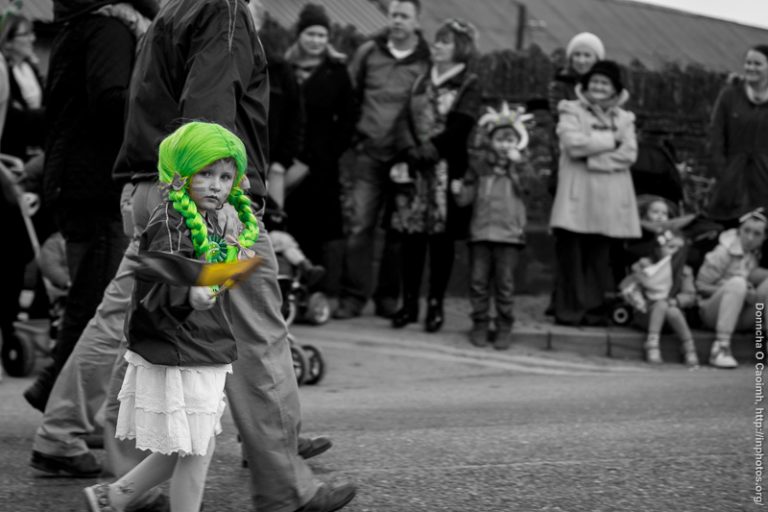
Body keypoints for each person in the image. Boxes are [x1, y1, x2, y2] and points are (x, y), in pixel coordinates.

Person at [32, 1, 355, 511]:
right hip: (199, 194)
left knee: (137, 328)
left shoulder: (171, 11)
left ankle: (126, 481)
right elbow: (209, 112)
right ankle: (283, 491)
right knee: (259, 336)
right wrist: (217, 203)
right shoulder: (222, 9)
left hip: (150, 188)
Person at [83, 121, 254, 512]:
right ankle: (118, 497)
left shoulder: (205, 219)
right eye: (206, 173)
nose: (216, 185)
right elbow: (157, 278)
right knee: (196, 448)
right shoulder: (169, 222)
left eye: (226, 176)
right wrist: (188, 292)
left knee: (195, 444)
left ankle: (115, 496)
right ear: (178, 175)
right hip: (183, 348)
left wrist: (226, 263)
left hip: (200, 344)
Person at [22, 0, 152, 412]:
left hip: (80, 180)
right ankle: (66, 413)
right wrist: (159, 106)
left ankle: (55, 394)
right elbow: (110, 100)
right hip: (94, 184)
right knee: (95, 305)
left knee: (89, 301)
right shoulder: (108, 29)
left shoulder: (86, 25)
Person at [334, 0, 431, 319]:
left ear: (417, 22)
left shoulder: (426, 60)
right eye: (394, 15)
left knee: (397, 230)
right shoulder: (368, 52)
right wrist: (353, 140)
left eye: (405, 16)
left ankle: (388, 297)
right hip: (368, 151)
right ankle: (352, 297)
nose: (398, 21)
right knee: (360, 225)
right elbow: (349, 93)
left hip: (405, 157)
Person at [388, 18, 479, 333]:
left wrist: (428, 150)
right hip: (415, 171)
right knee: (411, 238)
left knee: (442, 242)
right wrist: (410, 149)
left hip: (446, 169)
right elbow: (403, 120)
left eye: (444, 41)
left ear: (460, 48)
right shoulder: (421, 80)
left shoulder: (468, 83)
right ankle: (409, 303)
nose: (437, 46)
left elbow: (461, 126)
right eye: (437, 41)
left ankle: (436, 304)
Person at [549, 60, 641, 326]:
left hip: (608, 200)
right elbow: (573, 144)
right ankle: (569, 312)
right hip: (576, 196)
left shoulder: (625, 118)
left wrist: (594, 160)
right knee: (572, 258)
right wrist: (610, 141)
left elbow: (629, 154)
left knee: (598, 259)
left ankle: (593, 310)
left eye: (605, 83)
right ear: (586, 85)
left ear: (614, 89)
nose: (599, 87)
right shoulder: (570, 109)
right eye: (595, 82)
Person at [283, 3, 356, 295]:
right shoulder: (285, 69)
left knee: (318, 229)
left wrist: (326, 155)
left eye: (322, 35)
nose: (316, 41)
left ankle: (315, 290)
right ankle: (287, 286)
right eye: (311, 34)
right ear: (300, 35)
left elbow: (348, 120)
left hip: (320, 164)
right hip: (286, 160)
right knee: (287, 222)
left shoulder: (336, 72)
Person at [453, 102, 532, 349]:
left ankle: (504, 325)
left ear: (518, 142)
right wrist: (459, 191)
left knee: (504, 284)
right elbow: (466, 199)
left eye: (510, 140)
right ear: (491, 141)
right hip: (481, 233)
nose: (504, 145)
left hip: (509, 235)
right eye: (500, 139)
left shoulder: (521, 167)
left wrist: (517, 166)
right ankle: (479, 322)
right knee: (478, 282)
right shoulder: (479, 168)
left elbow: (530, 190)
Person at [696, 209, 768, 368]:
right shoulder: (722, 252)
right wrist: (733, 288)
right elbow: (700, 286)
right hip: (712, 314)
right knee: (737, 283)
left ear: (764, 238)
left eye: (757, 234)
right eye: (746, 231)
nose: (750, 237)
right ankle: (720, 348)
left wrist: (750, 294)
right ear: (738, 231)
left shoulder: (754, 255)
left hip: (740, 316)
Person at [707, 45, 768, 223]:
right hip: (732, 182)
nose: (751, 68)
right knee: (725, 230)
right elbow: (715, 135)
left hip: (764, 182)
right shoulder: (730, 96)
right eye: (748, 63)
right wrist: (723, 172)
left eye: (757, 64)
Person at [622, 229, 699, 367]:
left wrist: (676, 301)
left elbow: (690, 295)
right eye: (671, 247)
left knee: (672, 310)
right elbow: (632, 287)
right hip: (647, 314)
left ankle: (688, 345)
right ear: (658, 249)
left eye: (679, 249)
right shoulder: (646, 267)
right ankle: (652, 343)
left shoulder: (685, 271)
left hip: (670, 318)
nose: (676, 252)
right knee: (662, 305)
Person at [547, 32, 605, 194]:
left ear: (597, 58)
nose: (581, 60)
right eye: (577, 55)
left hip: (599, 154)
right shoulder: (559, 84)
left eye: (587, 55)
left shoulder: (605, 86)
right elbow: (560, 116)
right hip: (566, 150)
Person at [0, 12, 45, 161]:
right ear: (8, 42)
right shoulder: (3, 71)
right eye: (26, 34)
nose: (32, 39)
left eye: (32, 33)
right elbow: (13, 119)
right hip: (12, 152)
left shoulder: (30, 69)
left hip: (36, 147)